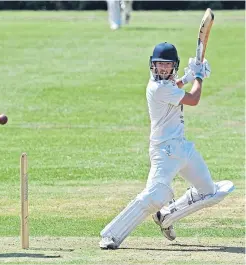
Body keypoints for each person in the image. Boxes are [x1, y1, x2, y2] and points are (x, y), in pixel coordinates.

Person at [99, 42, 235, 249]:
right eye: (159, 64)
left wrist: (188, 77)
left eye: (167, 64)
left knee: (210, 192)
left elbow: (175, 87)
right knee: (156, 195)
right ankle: (111, 234)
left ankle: (166, 216)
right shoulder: (157, 87)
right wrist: (198, 76)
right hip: (164, 151)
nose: (163, 68)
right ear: (152, 65)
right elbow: (194, 99)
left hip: (182, 148)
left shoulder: (167, 86)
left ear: (174, 66)